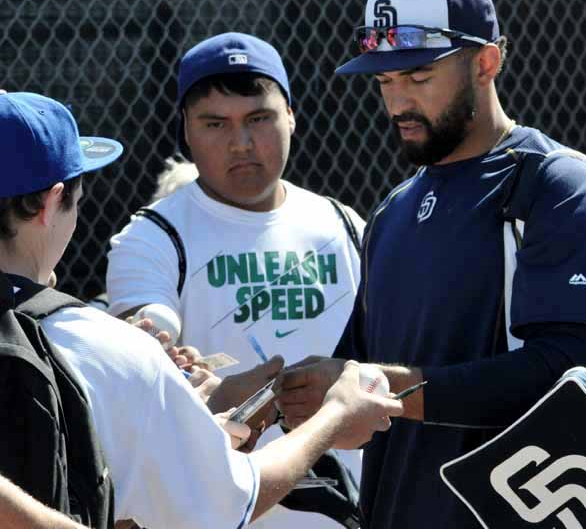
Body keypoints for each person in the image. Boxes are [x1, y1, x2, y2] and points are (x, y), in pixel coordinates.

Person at [278, 0, 586, 527]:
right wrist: (267, 393)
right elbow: (356, 369)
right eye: (384, 81)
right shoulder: (392, 211)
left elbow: (571, 373)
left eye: (418, 75)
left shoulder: (558, 184)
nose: (398, 101)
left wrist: (374, 386)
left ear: (486, 62)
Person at [0, 91, 403, 527]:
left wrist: (192, 423)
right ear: (49, 204)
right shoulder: (103, 349)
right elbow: (229, 502)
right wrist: (333, 416)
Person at [105, 33, 366, 528]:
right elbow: (146, 318)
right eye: (215, 123)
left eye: (258, 119)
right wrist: (151, 340)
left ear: (290, 114)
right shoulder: (154, 236)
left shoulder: (344, 224)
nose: (241, 143)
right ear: (186, 129)